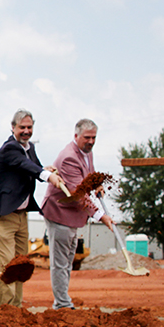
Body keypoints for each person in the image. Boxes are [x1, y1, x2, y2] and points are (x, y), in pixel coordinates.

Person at [0, 109, 64, 307]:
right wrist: (48, 177)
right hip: (2, 214)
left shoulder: (29, 148)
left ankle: (16, 307)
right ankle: (7, 309)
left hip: (20, 214)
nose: (26, 131)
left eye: (29, 127)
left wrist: (46, 170)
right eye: (22, 127)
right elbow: (24, 165)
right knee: (7, 263)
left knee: (20, 263)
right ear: (13, 128)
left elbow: (32, 167)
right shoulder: (10, 148)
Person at [41, 118, 114, 309]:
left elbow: (88, 173)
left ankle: (63, 300)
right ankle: (62, 304)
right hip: (60, 212)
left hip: (73, 215)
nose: (91, 141)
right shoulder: (69, 158)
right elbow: (78, 194)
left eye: (94, 138)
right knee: (60, 261)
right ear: (76, 136)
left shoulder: (86, 152)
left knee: (68, 259)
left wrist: (96, 184)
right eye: (87, 137)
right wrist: (101, 216)